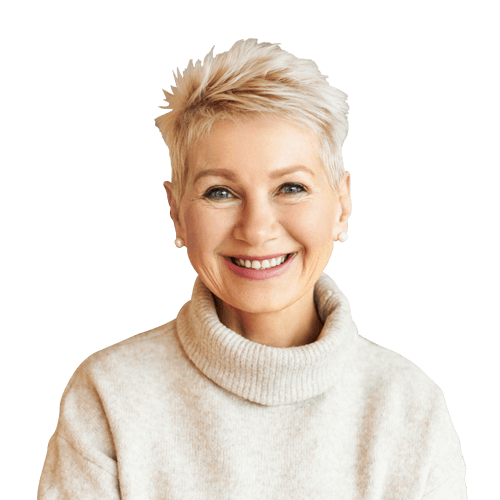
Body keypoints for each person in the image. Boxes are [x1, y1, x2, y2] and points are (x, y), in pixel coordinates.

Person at [38, 39, 467, 498]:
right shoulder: (108, 395)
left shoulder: (411, 407)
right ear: (176, 213)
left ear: (342, 204)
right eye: (220, 192)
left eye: (291, 187)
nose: (257, 229)